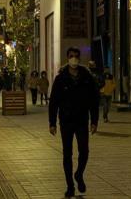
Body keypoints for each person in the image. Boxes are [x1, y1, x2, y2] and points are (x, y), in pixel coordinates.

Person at [49, 47, 100, 198]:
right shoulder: (60, 78)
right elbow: (54, 102)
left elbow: (94, 101)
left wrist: (94, 121)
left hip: (82, 120)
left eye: (76, 56)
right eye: (71, 56)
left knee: (84, 151)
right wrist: (52, 123)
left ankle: (79, 174)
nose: (74, 59)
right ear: (67, 57)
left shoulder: (87, 78)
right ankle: (70, 186)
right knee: (67, 154)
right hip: (66, 120)